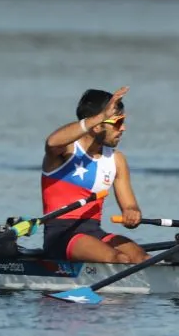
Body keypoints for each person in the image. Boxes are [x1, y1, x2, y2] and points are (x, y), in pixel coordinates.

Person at [41, 86, 150, 263]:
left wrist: (132, 214)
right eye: (117, 123)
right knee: (119, 259)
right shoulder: (66, 150)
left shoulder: (117, 160)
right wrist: (101, 116)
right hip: (61, 236)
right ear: (98, 126)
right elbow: (51, 142)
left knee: (141, 258)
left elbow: (130, 206)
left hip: (94, 232)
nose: (123, 129)